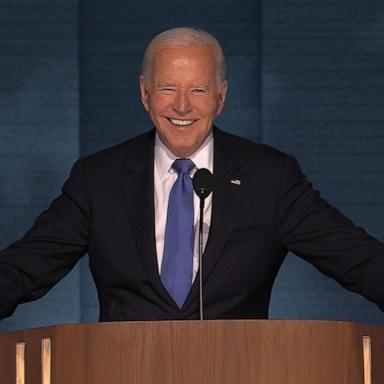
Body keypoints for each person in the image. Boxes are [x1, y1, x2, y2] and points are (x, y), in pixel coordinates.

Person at [0, 27, 384, 322]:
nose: (182, 105)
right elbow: (22, 270)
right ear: (144, 93)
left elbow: (358, 261)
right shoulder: (97, 179)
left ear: (221, 96)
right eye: (168, 87)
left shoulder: (271, 179)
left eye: (198, 89)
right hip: (120, 369)